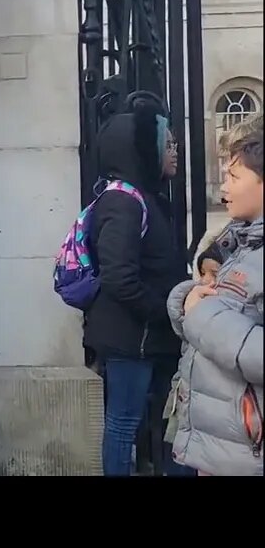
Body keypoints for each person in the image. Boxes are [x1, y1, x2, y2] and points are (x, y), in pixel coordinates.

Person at [81, 95, 189, 476]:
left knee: (154, 422)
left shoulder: (146, 198)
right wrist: (169, 311)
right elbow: (119, 278)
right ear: (143, 149)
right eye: (168, 144)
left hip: (146, 337)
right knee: (123, 424)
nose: (174, 152)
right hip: (131, 338)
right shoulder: (123, 202)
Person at [165, 116, 263, 476]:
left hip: (246, 454)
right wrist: (188, 301)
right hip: (222, 450)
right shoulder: (238, 242)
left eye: (234, 177)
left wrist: (201, 317)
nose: (224, 187)